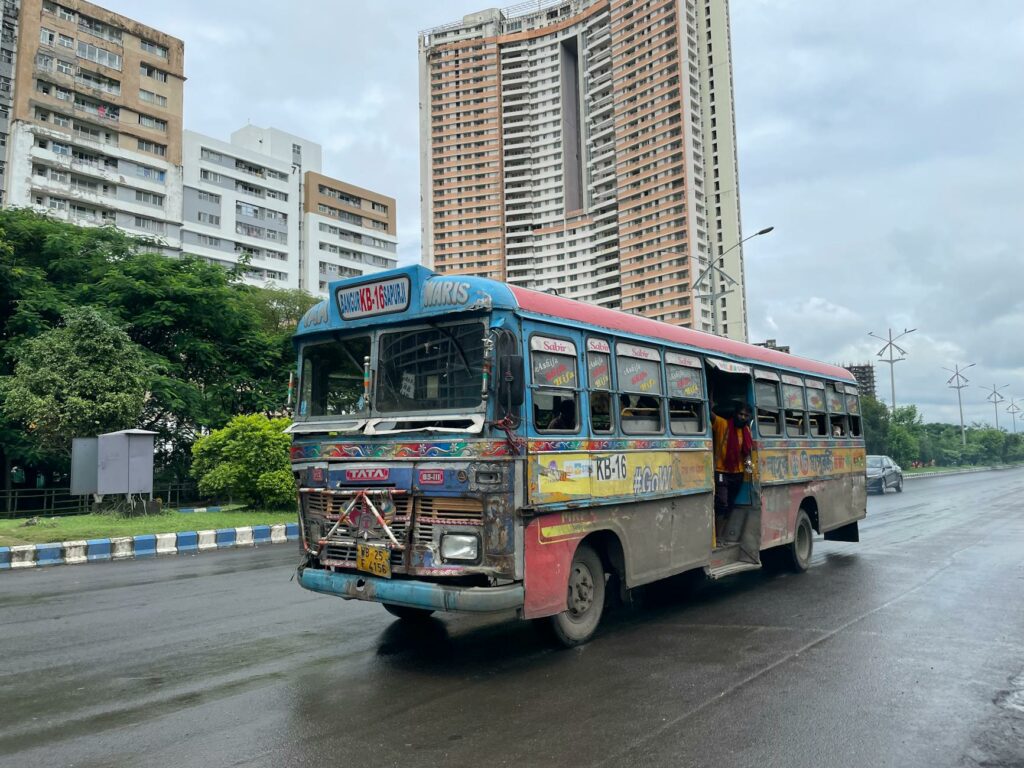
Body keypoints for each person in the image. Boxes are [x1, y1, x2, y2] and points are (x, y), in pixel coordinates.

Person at [711, 399, 754, 543]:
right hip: (721, 471)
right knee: (722, 503)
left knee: (730, 506)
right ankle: (716, 537)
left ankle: (721, 536)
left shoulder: (746, 431)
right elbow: (709, 415)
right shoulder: (723, 424)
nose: (743, 417)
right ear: (735, 414)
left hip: (739, 473)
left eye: (746, 415)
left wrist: (749, 469)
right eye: (741, 414)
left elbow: (747, 453)